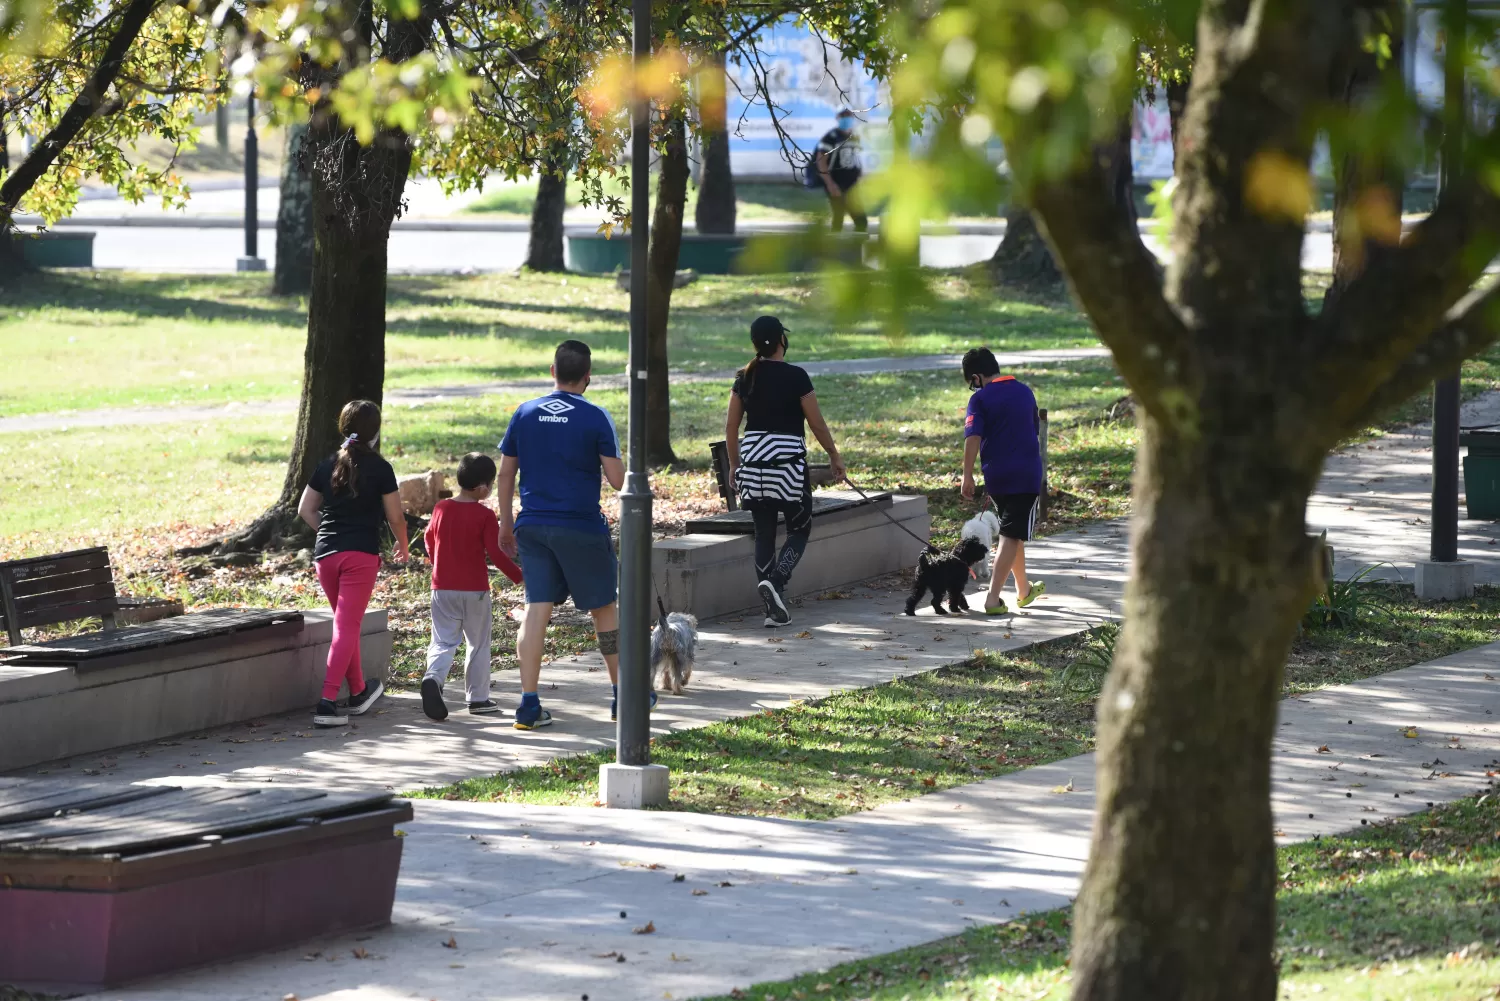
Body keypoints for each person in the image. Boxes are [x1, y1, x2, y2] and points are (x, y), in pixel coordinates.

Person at [497, 340, 649, 729]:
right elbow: (618, 481)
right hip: (580, 526)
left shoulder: (524, 413)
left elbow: (505, 472)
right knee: (604, 610)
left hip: (532, 525)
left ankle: (528, 705)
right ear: (587, 378)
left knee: (536, 610)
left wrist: (504, 522)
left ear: (552, 371)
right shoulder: (596, 417)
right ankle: (624, 696)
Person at [725, 315, 847, 628]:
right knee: (800, 528)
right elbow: (816, 423)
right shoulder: (797, 376)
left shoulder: (744, 377)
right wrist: (834, 455)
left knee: (764, 532)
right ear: (782, 340)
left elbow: (731, 426)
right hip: (787, 468)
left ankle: (772, 609)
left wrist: (735, 464)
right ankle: (777, 582)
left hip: (753, 465)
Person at [297, 399, 409, 729]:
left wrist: (330, 534)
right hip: (360, 556)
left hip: (326, 556)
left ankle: (359, 691)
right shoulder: (380, 468)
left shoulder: (328, 463)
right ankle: (328, 702)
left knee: (348, 625)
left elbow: (306, 509)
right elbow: (396, 517)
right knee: (346, 627)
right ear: (375, 432)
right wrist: (403, 547)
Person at [420, 452, 524, 722]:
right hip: (475, 591)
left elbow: (428, 538)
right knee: (478, 643)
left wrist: (437, 563)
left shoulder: (441, 508)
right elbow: (496, 553)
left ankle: (433, 678)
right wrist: (519, 576)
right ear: (481, 487)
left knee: (443, 640)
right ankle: (478, 698)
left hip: (441, 588)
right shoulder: (484, 514)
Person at [959, 347, 1047, 615]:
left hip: (996, 475)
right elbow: (1033, 430)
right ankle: (993, 599)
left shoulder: (980, 400)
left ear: (976, 377)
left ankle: (1023, 590)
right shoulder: (1024, 391)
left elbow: (972, 437)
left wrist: (967, 475)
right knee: (1011, 533)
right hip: (1026, 473)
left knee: (1012, 530)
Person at [814, 108, 867, 233]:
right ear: (838, 118)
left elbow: (855, 158)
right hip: (837, 181)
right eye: (843, 115)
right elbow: (821, 161)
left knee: (861, 220)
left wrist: (860, 177)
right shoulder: (831, 137)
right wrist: (830, 184)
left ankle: (857, 248)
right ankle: (833, 249)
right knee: (839, 217)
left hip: (852, 183)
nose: (846, 118)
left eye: (848, 115)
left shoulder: (854, 136)